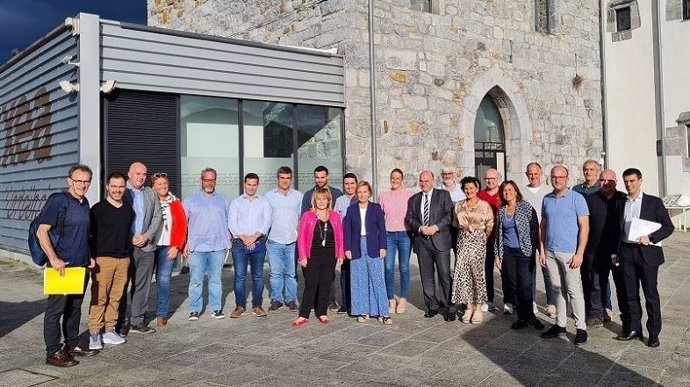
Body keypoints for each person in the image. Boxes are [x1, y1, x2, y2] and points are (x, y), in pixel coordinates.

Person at [37, 164, 97, 367]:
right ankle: (52, 352)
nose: (82, 185)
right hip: (61, 268)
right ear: (69, 180)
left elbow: (83, 234)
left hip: (80, 266)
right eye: (78, 180)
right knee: (56, 311)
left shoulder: (84, 202)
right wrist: (53, 258)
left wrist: (88, 256)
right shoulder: (58, 201)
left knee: (74, 309)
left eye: (86, 181)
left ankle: (72, 345)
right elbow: (41, 231)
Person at [616, 168, 674, 348]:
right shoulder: (620, 203)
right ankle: (634, 329)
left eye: (632, 181)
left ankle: (654, 333)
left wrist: (650, 238)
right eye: (626, 181)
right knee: (630, 294)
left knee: (650, 294)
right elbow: (615, 230)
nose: (629, 184)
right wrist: (614, 252)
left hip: (647, 253)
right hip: (626, 252)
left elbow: (668, 227)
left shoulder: (653, 202)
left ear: (640, 181)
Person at [539, 165, 589, 346]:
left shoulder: (577, 199)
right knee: (557, 289)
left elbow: (585, 227)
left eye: (561, 177)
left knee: (574, 290)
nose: (557, 179)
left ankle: (581, 328)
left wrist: (579, 253)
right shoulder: (547, 199)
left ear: (567, 178)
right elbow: (543, 226)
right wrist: (543, 250)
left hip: (570, 253)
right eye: (554, 176)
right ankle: (559, 325)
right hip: (550, 251)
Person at [88, 172, 135, 350]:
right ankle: (94, 332)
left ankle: (109, 330)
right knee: (99, 297)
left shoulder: (128, 209)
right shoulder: (97, 210)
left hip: (123, 260)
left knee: (116, 297)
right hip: (103, 260)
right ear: (107, 186)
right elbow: (90, 236)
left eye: (121, 186)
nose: (117, 190)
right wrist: (90, 257)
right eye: (114, 186)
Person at [117, 162, 162, 336]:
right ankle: (119, 322)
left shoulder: (150, 193)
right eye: (137, 173)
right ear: (129, 174)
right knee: (121, 285)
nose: (141, 176)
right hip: (125, 246)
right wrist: (130, 237)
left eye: (144, 174)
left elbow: (157, 216)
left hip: (146, 246)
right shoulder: (121, 191)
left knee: (142, 286)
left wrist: (147, 236)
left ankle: (137, 320)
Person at [405, 170, 456, 321]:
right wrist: (420, 228)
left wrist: (435, 227)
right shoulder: (414, 199)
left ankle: (449, 307)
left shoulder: (443, 195)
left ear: (433, 181)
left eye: (426, 181)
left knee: (444, 275)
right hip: (422, 242)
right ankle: (432, 306)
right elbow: (409, 217)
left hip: (440, 240)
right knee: (426, 276)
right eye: (421, 181)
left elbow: (449, 215)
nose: (423, 183)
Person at [493, 181, 544, 330]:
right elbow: (498, 235)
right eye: (504, 191)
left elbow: (535, 229)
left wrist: (539, 250)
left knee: (526, 284)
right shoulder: (501, 211)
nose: (507, 192)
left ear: (516, 191)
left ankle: (531, 317)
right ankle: (522, 317)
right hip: (508, 252)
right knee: (514, 285)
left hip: (525, 252)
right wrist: (497, 255)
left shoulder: (526, 207)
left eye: (510, 190)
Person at [183, 168, 231, 321]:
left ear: (215, 181)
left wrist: (228, 240)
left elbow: (229, 221)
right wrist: (184, 244)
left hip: (218, 246)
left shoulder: (223, 200)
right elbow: (183, 224)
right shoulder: (190, 200)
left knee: (215, 279)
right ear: (201, 180)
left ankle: (216, 308)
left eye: (212, 180)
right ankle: (194, 309)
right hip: (196, 247)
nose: (209, 183)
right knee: (196, 279)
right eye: (206, 180)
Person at [293, 188, 345, 327]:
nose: (321, 201)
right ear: (314, 200)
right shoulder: (307, 216)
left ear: (329, 200)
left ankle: (321, 312)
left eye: (324, 199)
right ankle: (303, 315)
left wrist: (340, 254)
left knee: (325, 284)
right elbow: (301, 238)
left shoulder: (335, 216)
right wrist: (302, 256)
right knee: (311, 284)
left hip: (329, 254)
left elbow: (340, 236)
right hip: (312, 255)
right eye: (319, 199)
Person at [583, 169, 626, 329]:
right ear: (598, 182)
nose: (605, 183)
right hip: (595, 250)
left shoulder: (623, 199)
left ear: (616, 182)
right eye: (602, 180)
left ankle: (626, 318)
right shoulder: (590, 199)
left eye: (610, 180)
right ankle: (596, 314)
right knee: (595, 284)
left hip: (619, 251)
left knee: (622, 285)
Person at [344, 181, 390, 324]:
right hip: (356, 246)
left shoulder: (376, 208)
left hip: (373, 246)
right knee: (359, 280)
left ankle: (383, 312)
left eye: (365, 191)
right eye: (359, 192)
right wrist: (347, 248)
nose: (362, 194)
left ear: (369, 193)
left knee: (377, 279)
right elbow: (347, 231)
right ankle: (363, 311)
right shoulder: (351, 210)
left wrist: (383, 246)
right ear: (356, 194)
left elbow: (382, 229)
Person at [573, 159, 613, 322]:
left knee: (601, 276)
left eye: (591, 169)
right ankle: (590, 307)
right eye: (585, 169)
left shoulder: (602, 189)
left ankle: (606, 307)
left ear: (597, 171)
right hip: (583, 238)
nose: (588, 172)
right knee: (585, 276)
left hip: (600, 239)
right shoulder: (576, 190)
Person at [228, 173, 272, 318]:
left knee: (258, 276)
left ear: (257, 185)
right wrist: (244, 237)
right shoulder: (236, 202)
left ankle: (257, 306)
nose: (251, 187)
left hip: (258, 243)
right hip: (239, 244)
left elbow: (267, 222)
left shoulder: (264, 202)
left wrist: (254, 237)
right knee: (240, 276)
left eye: (254, 185)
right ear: (244, 184)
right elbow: (232, 223)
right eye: (249, 184)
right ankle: (239, 306)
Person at [300, 165, 344, 311]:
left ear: (327, 177)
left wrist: (340, 250)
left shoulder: (336, 193)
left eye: (322, 177)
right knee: (312, 277)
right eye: (317, 177)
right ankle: (313, 302)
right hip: (314, 243)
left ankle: (329, 301)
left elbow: (337, 218)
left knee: (328, 276)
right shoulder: (308, 195)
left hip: (330, 241)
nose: (319, 180)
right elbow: (304, 220)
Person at [452, 176, 494, 324]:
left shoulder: (484, 205)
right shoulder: (458, 205)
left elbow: (490, 224)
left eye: (471, 188)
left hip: (478, 242)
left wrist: (480, 236)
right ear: (463, 190)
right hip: (462, 241)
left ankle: (477, 307)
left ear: (477, 189)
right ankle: (468, 306)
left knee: (477, 274)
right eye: (466, 188)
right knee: (463, 274)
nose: (469, 191)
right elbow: (455, 223)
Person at [151, 172, 187, 327]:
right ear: (153, 186)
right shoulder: (149, 201)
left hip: (168, 246)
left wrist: (177, 246)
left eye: (164, 184)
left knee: (164, 279)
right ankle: (139, 313)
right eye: (159, 184)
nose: (163, 186)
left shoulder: (176, 203)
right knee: (145, 281)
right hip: (150, 246)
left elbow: (182, 225)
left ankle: (161, 313)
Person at [265, 166, 303, 312]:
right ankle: (276, 299)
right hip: (274, 240)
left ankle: (291, 299)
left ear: (291, 179)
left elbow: (301, 218)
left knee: (291, 273)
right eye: (282, 178)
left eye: (288, 178)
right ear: (278, 179)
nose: (285, 181)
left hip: (292, 240)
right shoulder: (268, 196)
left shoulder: (298, 196)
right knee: (275, 273)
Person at [523, 162, 557, 318]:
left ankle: (552, 303)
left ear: (540, 173)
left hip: (546, 233)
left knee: (548, 268)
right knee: (529, 269)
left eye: (536, 173)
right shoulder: (522, 192)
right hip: (528, 235)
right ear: (526, 174)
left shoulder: (549, 191)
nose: (533, 176)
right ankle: (531, 301)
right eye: (530, 174)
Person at [378, 168, 413, 314]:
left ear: (402, 179)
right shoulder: (383, 195)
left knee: (404, 267)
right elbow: (380, 218)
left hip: (405, 234)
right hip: (388, 235)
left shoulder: (409, 195)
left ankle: (403, 298)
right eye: (393, 178)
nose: (395, 180)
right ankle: (390, 298)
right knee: (388, 268)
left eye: (398, 178)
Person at [477, 168, 504, 313]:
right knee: (486, 271)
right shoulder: (480, 195)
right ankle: (489, 299)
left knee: (506, 271)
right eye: (487, 178)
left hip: (502, 240)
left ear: (498, 179)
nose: (490, 181)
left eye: (493, 178)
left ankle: (510, 301)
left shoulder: (504, 193)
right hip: (485, 240)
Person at [333, 172, 358, 314]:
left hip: (358, 241)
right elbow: (336, 221)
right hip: (344, 241)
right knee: (345, 273)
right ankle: (345, 303)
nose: (349, 186)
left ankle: (357, 302)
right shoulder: (340, 200)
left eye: (352, 183)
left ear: (356, 183)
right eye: (347, 183)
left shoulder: (361, 198)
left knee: (357, 272)